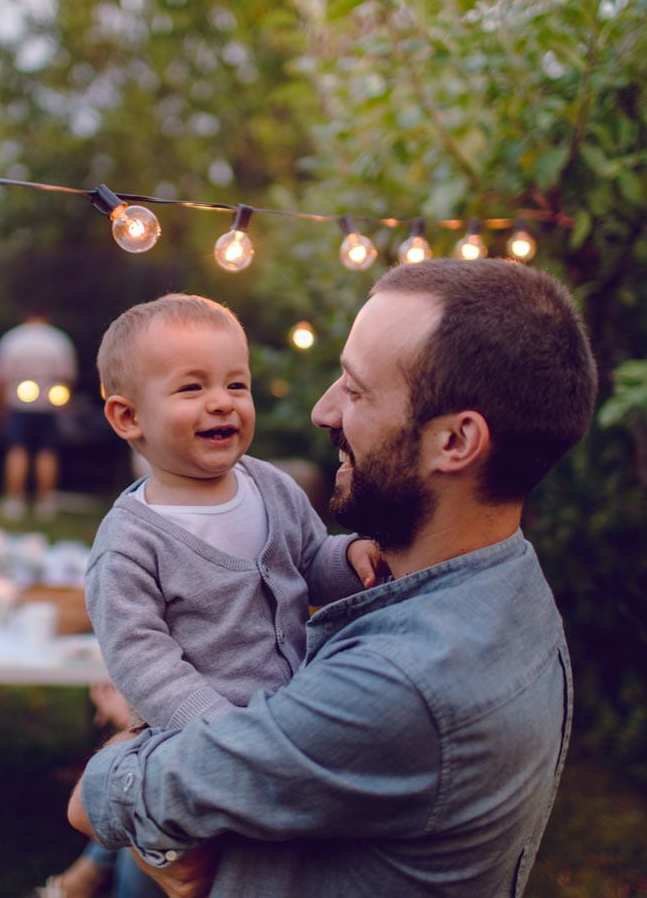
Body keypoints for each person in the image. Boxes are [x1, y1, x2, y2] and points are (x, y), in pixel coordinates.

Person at [68, 259, 598, 897]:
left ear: (455, 441)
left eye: (355, 388)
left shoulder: (401, 687)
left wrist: (122, 747)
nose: (323, 411)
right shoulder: (509, 584)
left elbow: (95, 799)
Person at [41, 294, 381, 898]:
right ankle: (133, 861)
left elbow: (309, 563)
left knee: (258, 859)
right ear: (128, 418)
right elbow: (143, 661)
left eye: (236, 384)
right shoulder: (129, 542)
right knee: (181, 872)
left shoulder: (268, 486)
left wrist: (348, 557)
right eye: (192, 388)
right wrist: (217, 729)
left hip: (283, 725)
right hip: (195, 741)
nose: (222, 401)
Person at [0, 311, 78, 521]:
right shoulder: (58, 340)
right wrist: (63, 404)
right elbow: (68, 377)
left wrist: (1, 406)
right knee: (47, 452)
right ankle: (45, 502)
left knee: (17, 450)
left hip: (18, 403)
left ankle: (14, 501)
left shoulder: (13, 339)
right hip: (48, 405)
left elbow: (1, 377)